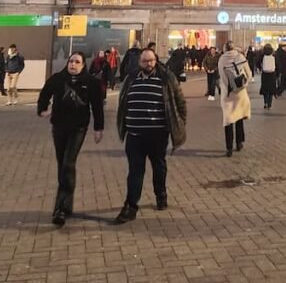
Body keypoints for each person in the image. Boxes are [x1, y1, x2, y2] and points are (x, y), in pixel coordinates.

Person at [114, 49, 187, 224]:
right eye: (145, 61)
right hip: (135, 134)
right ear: (139, 62)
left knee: (159, 166)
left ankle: (160, 194)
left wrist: (180, 123)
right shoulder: (131, 79)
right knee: (135, 172)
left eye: (151, 60)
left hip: (157, 134)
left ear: (156, 60)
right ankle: (131, 206)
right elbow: (123, 101)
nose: (149, 64)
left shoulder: (166, 78)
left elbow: (180, 101)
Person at [37, 51, 105, 226]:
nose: (73, 65)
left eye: (77, 62)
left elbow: (97, 106)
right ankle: (67, 205)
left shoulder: (91, 82)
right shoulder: (58, 79)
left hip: (78, 128)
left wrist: (98, 128)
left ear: (83, 65)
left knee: (68, 163)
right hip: (59, 127)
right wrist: (42, 110)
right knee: (64, 165)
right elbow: (45, 93)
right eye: (71, 61)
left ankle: (59, 208)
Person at [217, 41, 251, 156]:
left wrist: (228, 88)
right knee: (239, 117)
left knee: (228, 120)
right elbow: (249, 73)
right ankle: (239, 143)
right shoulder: (240, 56)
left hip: (228, 94)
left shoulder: (222, 59)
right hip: (240, 93)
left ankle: (229, 148)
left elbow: (222, 76)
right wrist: (243, 85)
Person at [258, 44, 277, 110]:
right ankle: (269, 105)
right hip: (272, 74)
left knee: (265, 89)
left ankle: (265, 103)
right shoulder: (274, 55)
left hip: (264, 74)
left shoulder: (262, 55)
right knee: (271, 90)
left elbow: (257, 62)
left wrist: (260, 68)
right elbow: (277, 64)